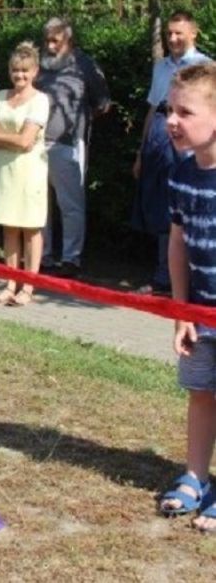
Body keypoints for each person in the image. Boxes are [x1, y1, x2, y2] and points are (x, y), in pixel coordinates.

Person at [157, 62, 216, 532]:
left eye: (186, 112)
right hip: (199, 311)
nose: (172, 121)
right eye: (168, 110)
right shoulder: (180, 172)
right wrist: (180, 311)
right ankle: (196, 476)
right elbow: (177, 242)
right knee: (200, 393)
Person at [132, 11, 211, 295]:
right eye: (170, 34)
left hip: (191, 144)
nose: (174, 39)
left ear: (193, 33)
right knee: (166, 207)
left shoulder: (206, 68)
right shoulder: (161, 67)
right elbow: (154, 108)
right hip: (162, 138)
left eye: (179, 33)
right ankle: (164, 276)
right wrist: (142, 152)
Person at [34, 18, 110, 277]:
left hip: (69, 143)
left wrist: (78, 123)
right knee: (39, 203)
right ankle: (42, 255)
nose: (49, 45)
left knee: (71, 205)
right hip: (35, 143)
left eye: (55, 40)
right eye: (47, 40)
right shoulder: (38, 64)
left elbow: (102, 104)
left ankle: (71, 258)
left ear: (69, 40)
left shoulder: (85, 65)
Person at [0, 42, 50, 306]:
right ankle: (10, 282)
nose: (19, 76)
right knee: (9, 227)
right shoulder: (0, 96)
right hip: (4, 169)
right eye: (15, 71)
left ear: (35, 71)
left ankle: (29, 287)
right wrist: (3, 138)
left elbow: (25, 142)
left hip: (30, 170)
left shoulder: (41, 100)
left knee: (31, 228)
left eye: (24, 71)